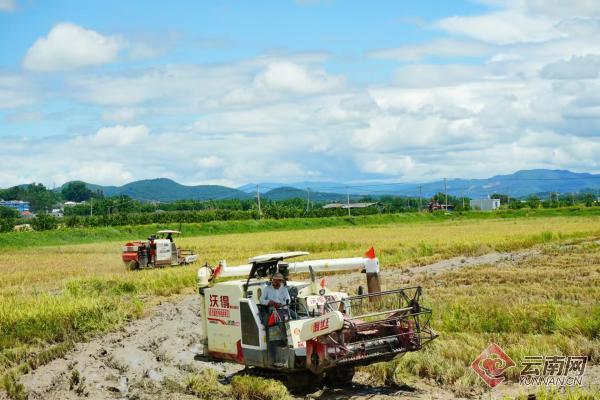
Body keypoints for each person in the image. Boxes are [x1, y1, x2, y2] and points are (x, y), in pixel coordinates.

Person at [260, 272, 290, 368]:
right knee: (277, 325)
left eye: (278, 281)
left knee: (297, 317)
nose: (275, 282)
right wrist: (269, 302)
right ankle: (284, 339)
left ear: (281, 281)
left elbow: (288, 300)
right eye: (274, 280)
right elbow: (261, 300)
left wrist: (281, 303)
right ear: (272, 280)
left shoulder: (284, 290)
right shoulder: (267, 289)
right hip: (271, 310)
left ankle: (289, 339)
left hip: (283, 309)